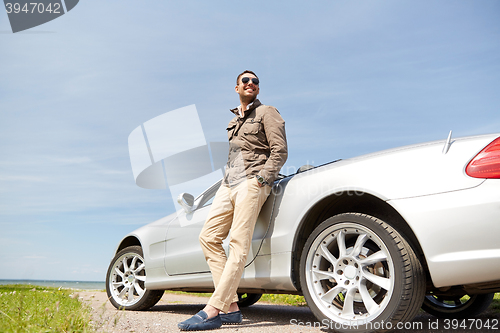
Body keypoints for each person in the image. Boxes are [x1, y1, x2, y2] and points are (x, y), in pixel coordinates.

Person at [178, 70, 288, 331]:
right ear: (236, 87)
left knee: (238, 243)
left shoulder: (267, 112)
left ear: (258, 90)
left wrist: (262, 179)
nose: (251, 84)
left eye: (256, 82)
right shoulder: (233, 121)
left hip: (252, 181)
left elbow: (280, 150)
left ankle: (213, 309)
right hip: (228, 184)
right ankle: (232, 307)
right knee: (208, 238)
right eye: (246, 81)